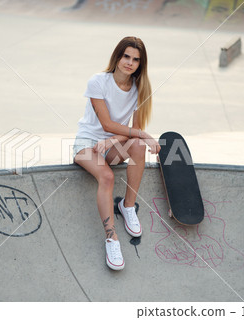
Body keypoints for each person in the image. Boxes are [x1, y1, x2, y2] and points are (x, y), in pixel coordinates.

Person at [73, 36, 161, 270]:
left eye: (136, 59)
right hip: (87, 143)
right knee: (107, 177)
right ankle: (112, 238)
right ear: (117, 56)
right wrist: (139, 134)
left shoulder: (139, 89)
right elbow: (106, 124)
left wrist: (120, 139)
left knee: (139, 146)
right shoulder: (98, 82)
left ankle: (128, 206)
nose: (129, 63)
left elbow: (133, 133)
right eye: (126, 56)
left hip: (112, 144)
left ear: (141, 64)